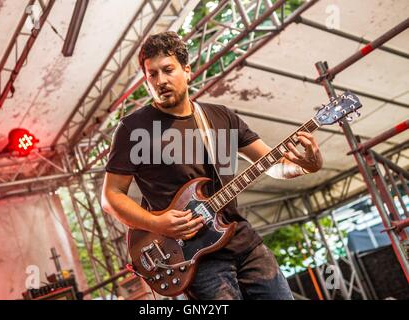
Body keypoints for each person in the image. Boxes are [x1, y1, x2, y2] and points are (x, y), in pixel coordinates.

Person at [101, 31, 323, 300]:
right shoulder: (132, 128)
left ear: (187, 70)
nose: (160, 81)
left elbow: (272, 165)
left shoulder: (221, 117)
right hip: (194, 258)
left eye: (168, 70)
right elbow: (111, 196)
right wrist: (157, 223)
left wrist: (306, 166)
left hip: (244, 243)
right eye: (152, 74)